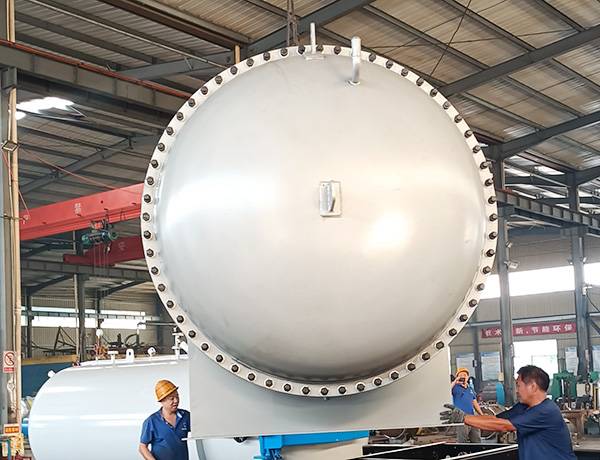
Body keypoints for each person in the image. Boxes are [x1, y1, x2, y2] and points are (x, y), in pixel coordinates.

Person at [441, 365, 576, 460]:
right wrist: (466, 417)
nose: (516, 390)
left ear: (533, 387)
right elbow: (496, 420)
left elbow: (504, 426)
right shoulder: (523, 407)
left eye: (518, 385)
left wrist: (464, 418)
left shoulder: (545, 411)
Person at [139, 379, 191, 460]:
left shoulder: (186, 416)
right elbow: (142, 447)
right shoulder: (152, 421)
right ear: (162, 400)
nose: (176, 400)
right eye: (172, 398)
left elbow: (200, 430)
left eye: (177, 396)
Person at [451, 367, 483, 443]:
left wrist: (481, 414)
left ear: (468, 377)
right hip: (461, 418)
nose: (463, 377)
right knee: (462, 440)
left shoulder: (470, 389)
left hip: (472, 417)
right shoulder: (455, 388)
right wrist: (455, 381)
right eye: (461, 375)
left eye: (465, 375)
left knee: (476, 439)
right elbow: (446, 390)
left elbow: (474, 402)